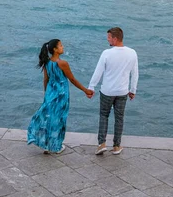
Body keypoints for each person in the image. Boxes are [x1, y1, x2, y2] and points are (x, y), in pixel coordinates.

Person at [27, 39, 93, 154]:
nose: (63, 47)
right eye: (61, 46)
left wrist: (46, 95)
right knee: (59, 120)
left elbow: (45, 80)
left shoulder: (47, 63)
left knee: (48, 118)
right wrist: (85, 90)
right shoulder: (62, 63)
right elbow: (72, 79)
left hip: (50, 94)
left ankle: (46, 145)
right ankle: (56, 146)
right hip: (61, 95)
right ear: (55, 50)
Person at [88, 27, 138, 155]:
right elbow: (135, 74)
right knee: (119, 118)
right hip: (122, 92)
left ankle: (101, 144)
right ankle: (116, 146)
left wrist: (91, 87)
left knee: (104, 116)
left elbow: (98, 72)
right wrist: (133, 90)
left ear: (115, 39)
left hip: (107, 91)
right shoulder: (132, 53)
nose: (108, 39)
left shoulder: (106, 53)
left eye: (109, 37)